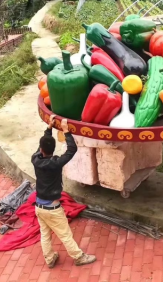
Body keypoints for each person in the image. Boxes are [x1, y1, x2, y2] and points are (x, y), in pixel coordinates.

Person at [32, 114, 96, 269]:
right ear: (53, 150)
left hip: (39, 207)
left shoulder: (35, 159)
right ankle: (78, 257)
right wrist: (67, 131)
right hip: (53, 209)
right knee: (65, 234)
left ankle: (49, 258)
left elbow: (42, 147)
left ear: (41, 149)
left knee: (45, 235)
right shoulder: (55, 163)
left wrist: (48, 129)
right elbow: (71, 150)